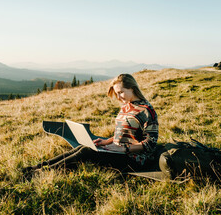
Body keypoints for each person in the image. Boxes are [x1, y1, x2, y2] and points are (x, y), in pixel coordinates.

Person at [23, 74, 159, 176]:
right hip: (117, 151)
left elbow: (150, 144)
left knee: (87, 152)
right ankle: (38, 167)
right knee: (84, 146)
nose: (118, 97)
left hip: (134, 160)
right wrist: (106, 141)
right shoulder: (126, 106)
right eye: (116, 94)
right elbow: (123, 135)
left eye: (121, 92)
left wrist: (124, 149)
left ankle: (41, 174)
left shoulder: (146, 110)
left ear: (133, 88)